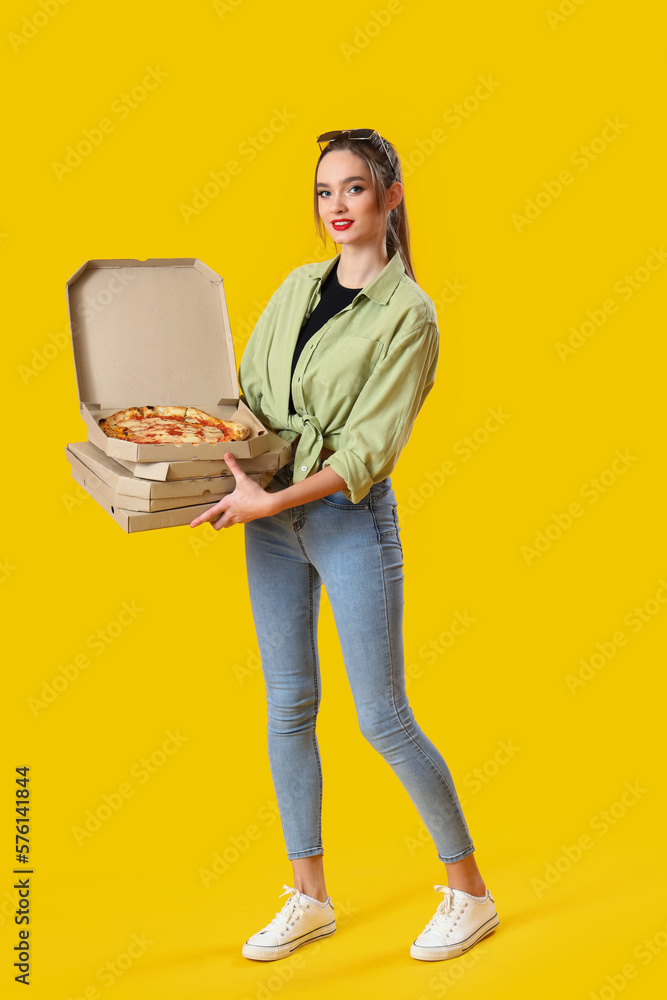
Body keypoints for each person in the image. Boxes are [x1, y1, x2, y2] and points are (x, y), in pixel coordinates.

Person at [190, 128, 499, 963]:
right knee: (287, 707)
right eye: (324, 191)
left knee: (382, 716)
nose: (336, 206)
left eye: (354, 188)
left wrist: (271, 497)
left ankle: (468, 892)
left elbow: (365, 451)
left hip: (343, 517)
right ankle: (308, 896)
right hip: (267, 517)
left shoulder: (411, 315)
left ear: (390, 196)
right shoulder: (295, 287)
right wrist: (191, 464)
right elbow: (246, 397)